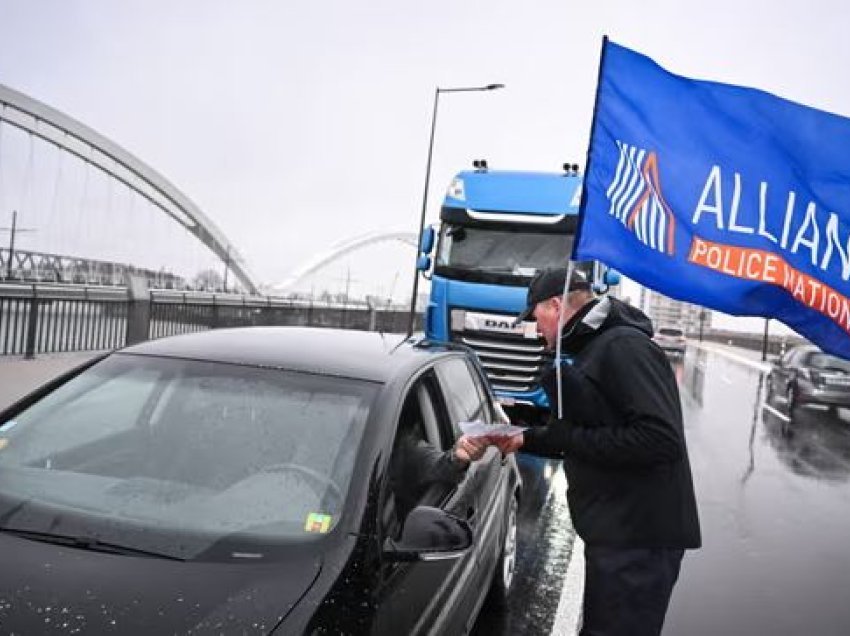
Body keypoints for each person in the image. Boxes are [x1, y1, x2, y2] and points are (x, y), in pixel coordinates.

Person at [494, 266, 701, 636]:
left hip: (638, 540)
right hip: (623, 533)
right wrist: (526, 438)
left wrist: (570, 439)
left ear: (555, 305)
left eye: (535, 316)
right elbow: (598, 428)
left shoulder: (623, 347)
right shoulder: (598, 347)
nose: (534, 327)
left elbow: (659, 439)